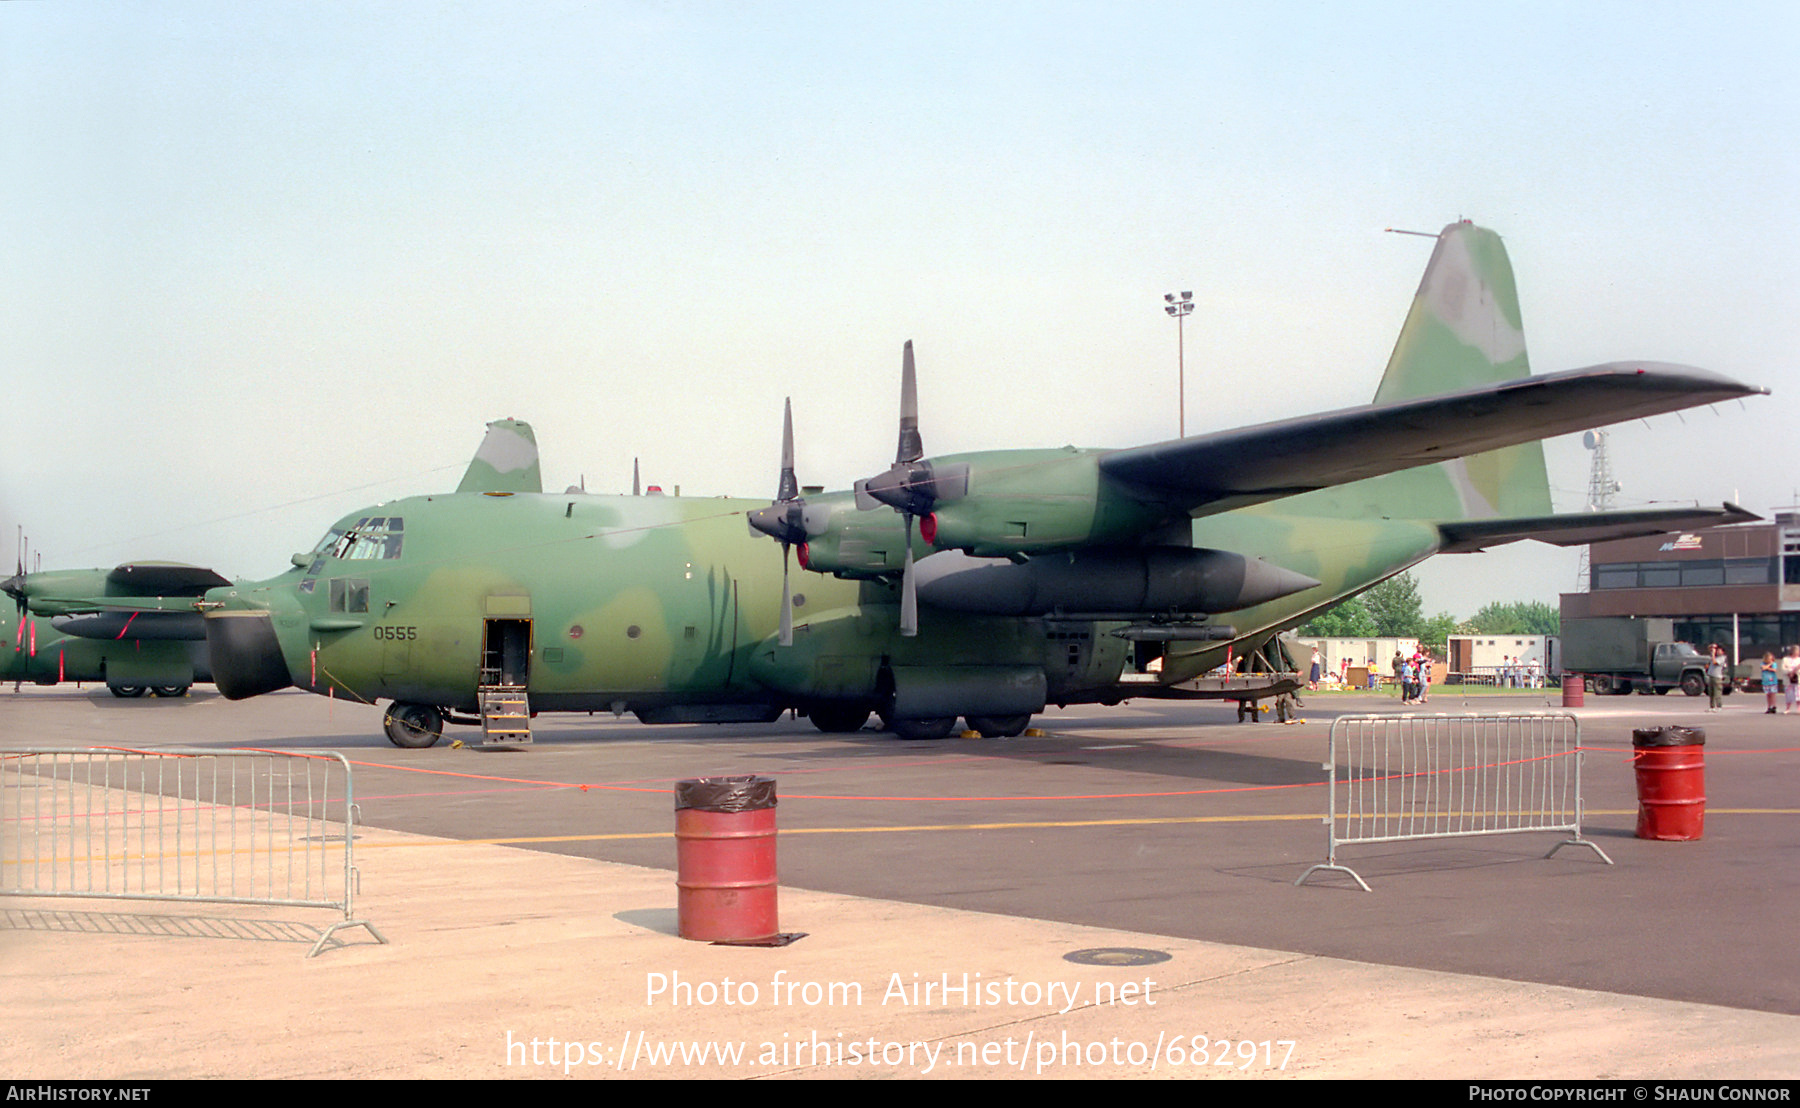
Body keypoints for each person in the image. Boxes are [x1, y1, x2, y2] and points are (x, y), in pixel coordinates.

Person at [1707, 643, 1728, 712]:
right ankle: (1712, 706)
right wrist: (1713, 647)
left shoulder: (1722, 658)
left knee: (1717, 693)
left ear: (1723, 651)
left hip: (1717, 677)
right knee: (1711, 692)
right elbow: (1709, 648)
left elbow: (1715, 662)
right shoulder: (1716, 656)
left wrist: (1713, 654)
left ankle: (1719, 706)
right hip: (1711, 676)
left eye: (1719, 650)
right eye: (1717, 650)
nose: (1717, 652)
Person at [1783, 646, 1800, 715]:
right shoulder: (1785, 659)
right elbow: (1783, 668)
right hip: (1788, 679)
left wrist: (1796, 672)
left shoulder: (1799, 660)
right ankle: (1787, 708)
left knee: (1798, 694)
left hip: (1798, 679)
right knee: (1789, 695)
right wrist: (1790, 672)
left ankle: (1799, 708)